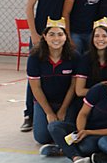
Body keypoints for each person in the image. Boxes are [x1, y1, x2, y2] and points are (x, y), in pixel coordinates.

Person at [48, 62, 107, 163]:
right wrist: (81, 131)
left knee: (86, 146)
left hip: (103, 135)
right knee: (54, 126)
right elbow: (83, 114)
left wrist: (88, 132)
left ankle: (63, 148)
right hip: (85, 129)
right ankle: (76, 157)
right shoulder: (100, 89)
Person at [23, 0, 72, 132]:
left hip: (60, 36)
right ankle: (29, 114)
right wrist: (34, 34)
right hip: (41, 36)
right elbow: (29, 8)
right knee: (34, 74)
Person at [27, 18, 79, 152]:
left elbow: (73, 86)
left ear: (66, 37)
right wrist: (49, 112)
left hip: (66, 102)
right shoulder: (35, 57)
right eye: (51, 34)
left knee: (67, 133)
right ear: (44, 37)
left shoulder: (74, 56)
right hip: (45, 102)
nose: (56, 38)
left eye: (60, 34)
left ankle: (59, 145)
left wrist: (63, 109)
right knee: (41, 137)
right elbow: (35, 87)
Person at [75, 18, 107, 100]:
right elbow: (79, 91)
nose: (100, 39)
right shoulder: (85, 58)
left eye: (104, 36)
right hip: (89, 99)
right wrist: (101, 89)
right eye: (96, 36)